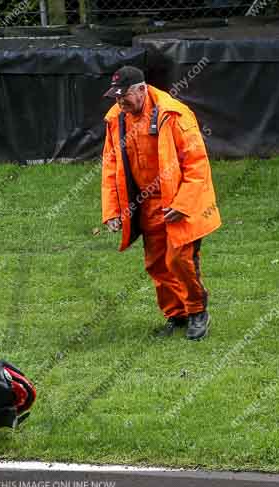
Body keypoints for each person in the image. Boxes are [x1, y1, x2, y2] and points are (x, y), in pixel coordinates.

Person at [100, 66, 221, 340]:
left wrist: (182, 204)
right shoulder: (117, 119)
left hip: (179, 201)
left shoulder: (174, 114)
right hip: (147, 205)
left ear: (142, 89)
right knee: (156, 264)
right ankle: (176, 315)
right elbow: (110, 165)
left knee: (179, 259)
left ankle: (197, 311)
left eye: (125, 96)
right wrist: (112, 211)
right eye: (116, 98)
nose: (120, 103)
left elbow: (196, 164)